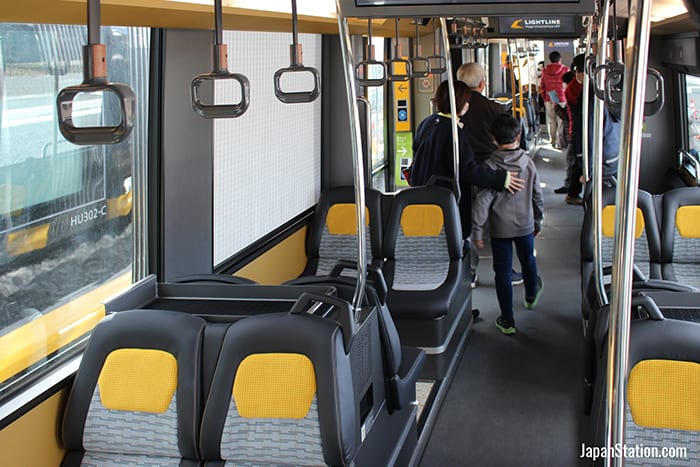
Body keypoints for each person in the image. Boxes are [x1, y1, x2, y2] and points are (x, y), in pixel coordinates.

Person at [410, 80, 525, 288]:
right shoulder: (454, 133)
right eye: (466, 102)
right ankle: (458, 293)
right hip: (446, 201)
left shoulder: (428, 123)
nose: (468, 106)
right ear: (460, 103)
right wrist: (502, 178)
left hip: (423, 196)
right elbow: (468, 170)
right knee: (456, 246)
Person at [472, 113, 544, 335]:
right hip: (524, 224)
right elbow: (536, 194)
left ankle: (507, 319)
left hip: (500, 228)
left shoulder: (489, 167)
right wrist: (538, 219)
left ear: (493, 138)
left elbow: (482, 200)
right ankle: (531, 294)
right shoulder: (528, 163)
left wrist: (478, 230)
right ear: (519, 135)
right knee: (528, 260)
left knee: (502, 271)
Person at [456, 62, 524, 287]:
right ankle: (505, 270)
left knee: (468, 221)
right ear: (482, 83)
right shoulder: (494, 109)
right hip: (491, 169)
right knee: (497, 220)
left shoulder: (455, 108)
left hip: (462, 173)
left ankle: (470, 272)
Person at [565, 54, 621, 206]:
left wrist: (588, 168)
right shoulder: (611, 91)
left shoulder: (591, 96)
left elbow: (589, 133)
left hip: (600, 157)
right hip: (612, 152)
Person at [539, 51, 569, 149]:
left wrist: (545, 97)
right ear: (560, 59)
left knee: (551, 121)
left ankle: (552, 141)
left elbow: (542, 86)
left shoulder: (544, 70)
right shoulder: (565, 69)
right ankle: (560, 142)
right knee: (561, 120)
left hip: (550, 97)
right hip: (562, 98)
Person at [553, 71, 576, 194]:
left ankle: (569, 186)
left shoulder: (571, 94)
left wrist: (556, 107)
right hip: (573, 133)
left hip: (573, 133)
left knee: (571, 161)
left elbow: (567, 116)